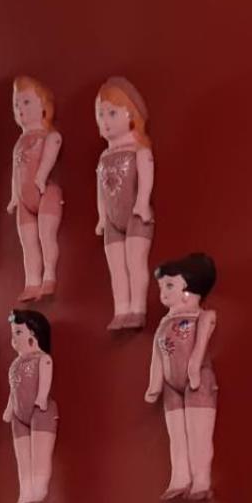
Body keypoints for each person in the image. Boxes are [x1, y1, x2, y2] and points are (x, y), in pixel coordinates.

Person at [146, 253, 219, 500]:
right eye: (161, 287)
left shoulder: (203, 316)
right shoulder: (164, 322)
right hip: (170, 386)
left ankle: (201, 479)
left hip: (197, 381)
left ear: (188, 288)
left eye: (169, 285)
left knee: (198, 432)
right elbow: (157, 353)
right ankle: (180, 476)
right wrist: (155, 383)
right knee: (176, 435)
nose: (163, 293)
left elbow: (200, 346)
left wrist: (194, 368)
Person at [94, 77, 155, 330]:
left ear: (130, 113)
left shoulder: (139, 150)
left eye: (112, 113)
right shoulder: (104, 156)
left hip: (136, 216)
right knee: (117, 269)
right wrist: (101, 216)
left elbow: (145, 181)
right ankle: (121, 309)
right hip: (112, 220)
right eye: (100, 114)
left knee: (135, 262)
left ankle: (137, 308)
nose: (105, 120)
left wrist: (142, 203)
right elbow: (101, 191)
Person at [8, 75, 63, 302]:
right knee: (28, 243)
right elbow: (16, 173)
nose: (20, 108)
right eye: (16, 104)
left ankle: (49, 275)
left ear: (43, 106)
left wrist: (41, 177)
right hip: (24, 200)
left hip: (46, 192)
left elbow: (49, 157)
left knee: (46, 236)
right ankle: (32, 280)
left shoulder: (50, 135)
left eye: (26, 102)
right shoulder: (19, 142)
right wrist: (14, 196)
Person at [2, 309, 57, 503]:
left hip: (40, 412)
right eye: (13, 333)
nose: (14, 338)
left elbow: (44, 382)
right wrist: (9, 408)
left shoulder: (43, 359)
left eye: (18, 332)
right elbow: (14, 389)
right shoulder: (15, 364)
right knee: (22, 459)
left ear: (33, 334)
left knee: (40, 457)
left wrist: (41, 398)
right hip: (19, 416)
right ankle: (25, 492)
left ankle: (39, 491)